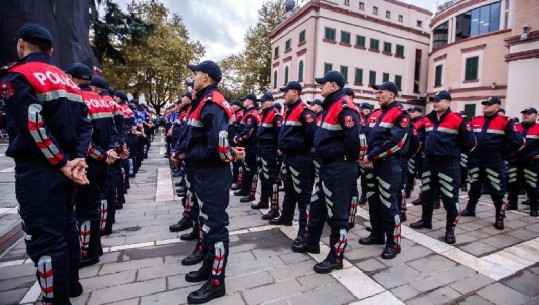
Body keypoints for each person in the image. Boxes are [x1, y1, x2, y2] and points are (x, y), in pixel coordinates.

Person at [0, 23, 92, 304]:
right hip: (66, 167)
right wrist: (76, 159)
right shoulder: (67, 81)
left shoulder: (18, 76)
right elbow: (85, 126)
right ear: (50, 50)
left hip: (40, 170)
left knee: (45, 239)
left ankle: (56, 298)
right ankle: (71, 283)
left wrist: (64, 162)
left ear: (21, 44)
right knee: (66, 227)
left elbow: (34, 126)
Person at [182, 60, 245, 304]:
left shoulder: (213, 104)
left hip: (212, 173)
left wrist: (231, 154)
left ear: (206, 77)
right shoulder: (206, 102)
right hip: (204, 170)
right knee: (207, 224)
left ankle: (217, 281)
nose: (194, 78)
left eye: (196, 73)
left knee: (215, 227)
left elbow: (218, 144)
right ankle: (208, 268)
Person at [294, 71, 362, 274]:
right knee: (316, 207)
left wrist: (337, 156)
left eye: (323, 83)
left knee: (338, 215)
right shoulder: (330, 106)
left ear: (333, 85)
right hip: (327, 167)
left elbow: (353, 142)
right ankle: (311, 242)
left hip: (339, 167)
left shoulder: (345, 108)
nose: (320, 86)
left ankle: (336, 257)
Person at [65, 63, 119, 268]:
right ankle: (94, 246)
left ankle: (87, 251)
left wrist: (102, 155)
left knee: (85, 209)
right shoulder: (105, 102)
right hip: (103, 161)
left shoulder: (77, 100)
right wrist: (110, 152)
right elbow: (114, 131)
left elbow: (82, 138)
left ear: (70, 77)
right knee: (94, 204)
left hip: (87, 163)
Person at [410, 91, 476, 244]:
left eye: (439, 100)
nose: (435, 102)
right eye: (434, 100)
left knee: (450, 198)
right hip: (429, 163)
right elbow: (419, 136)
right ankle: (426, 220)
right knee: (427, 193)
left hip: (448, 164)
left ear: (448, 102)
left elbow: (470, 143)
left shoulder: (458, 120)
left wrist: (452, 152)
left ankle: (450, 230)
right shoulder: (427, 119)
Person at [359, 81, 410, 259]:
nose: (377, 95)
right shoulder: (376, 114)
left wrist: (372, 156)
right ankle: (377, 234)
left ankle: (394, 243)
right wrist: (366, 156)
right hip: (371, 164)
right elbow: (365, 135)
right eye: (377, 92)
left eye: (381, 92)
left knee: (389, 205)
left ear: (392, 95)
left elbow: (395, 142)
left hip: (387, 164)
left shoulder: (401, 115)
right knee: (373, 202)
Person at [461, 97, 524, 229]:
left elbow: (519, 142)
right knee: (474, 185)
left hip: (494, 160)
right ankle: (470, 209)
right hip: (476, 159)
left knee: (497, 189)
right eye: (485, 104)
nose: (486, 106)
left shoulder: (505, 122)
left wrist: (505, 153)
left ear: (497, 107)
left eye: (489, 104)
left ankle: (499, 217)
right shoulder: (475, 120)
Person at [271, 81, 317, 243]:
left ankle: (304, 232)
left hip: (300, 159)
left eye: (286, 91)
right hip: (288, 158)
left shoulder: (305, 112)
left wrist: (307, 148)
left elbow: (313, 135)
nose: (284, 94)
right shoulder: (289, 110)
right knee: (289, 191)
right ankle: (286, 217)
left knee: (303, 197)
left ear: (295, 93)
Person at [253, 92, 283, 221]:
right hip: (261, 148)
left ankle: (275, 208)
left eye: (263, 101)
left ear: (271, 101)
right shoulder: (263, 114)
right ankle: (264, 201)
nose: (261, 104)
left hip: (269, 149)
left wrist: (278, 149)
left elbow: (279, 134)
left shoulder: (275, 116)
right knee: (263, 176)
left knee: (271, 179)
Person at [507, 107, 539, 216]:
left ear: (535, 115)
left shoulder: (538, 128)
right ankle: (512, 203)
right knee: (512, 183)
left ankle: (534, 208)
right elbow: (509, 141)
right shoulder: (516, 127)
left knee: (531, 186)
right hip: (515, 161)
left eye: (529, 114)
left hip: (531, 162)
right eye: (524, 113)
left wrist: (532, 156)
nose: (525, 115)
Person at [233, 93, 260, 202]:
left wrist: (238, 138)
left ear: (250, 101)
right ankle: (245, 189)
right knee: (245, 168)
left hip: (251, 145)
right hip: (245, 145)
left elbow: (248, 131)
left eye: (246, 100)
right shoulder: (247, 113)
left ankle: (251, 193)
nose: (244, 101)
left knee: (251, 170)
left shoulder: (252, 114)